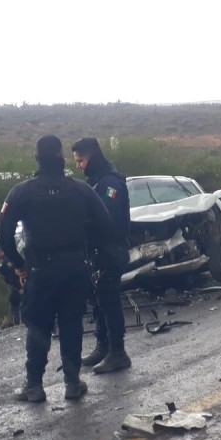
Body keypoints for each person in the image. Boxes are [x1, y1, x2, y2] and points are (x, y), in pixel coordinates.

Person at [0, 135, 117, 403]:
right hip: (75, 269)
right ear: (61, 158)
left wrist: (19, 264)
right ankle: (72, 383)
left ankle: (35, 386)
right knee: (71, 324)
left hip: (40, 270)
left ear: (37, 158)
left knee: (38, 326)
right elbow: (106, 225)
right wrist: (87, 250)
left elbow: (4, 234)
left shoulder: (21, 192)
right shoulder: (80, 190)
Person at [71, 137, 132, 374]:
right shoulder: (96, 181)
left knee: (109, 301)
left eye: (81, 160)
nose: (79, 165)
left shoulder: (111, 182)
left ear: (92, 157)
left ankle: (118, 352)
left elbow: (106, 217)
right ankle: (103, 345)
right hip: (97, 252)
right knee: (98, 302)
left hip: (111, 251)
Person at [0, 244, 22, 325]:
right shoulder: (7, 259)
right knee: (15, 301)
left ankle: (18, 321)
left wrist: (19, 286)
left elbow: (13, 273)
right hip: (16, 285)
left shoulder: (7, 260)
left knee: (16, 302)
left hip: (18, 284)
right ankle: (18, 320)